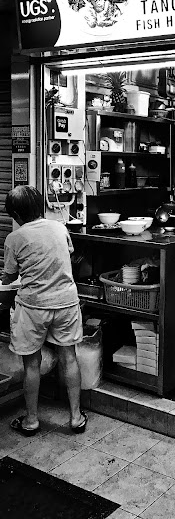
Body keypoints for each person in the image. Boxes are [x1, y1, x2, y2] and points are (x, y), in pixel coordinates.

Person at [2, 185, 87, 436]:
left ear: (17, 214)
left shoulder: (15, 238)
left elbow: (10, 276)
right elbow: (66, 254)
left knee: (31, 364)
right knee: (69, 357)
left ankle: (31, 421)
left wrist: (6, 278)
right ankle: (76, 418)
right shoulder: (60, 228)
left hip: (33, 306)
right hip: (66, 302)